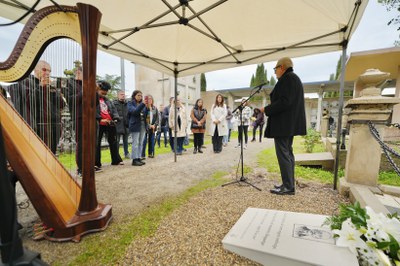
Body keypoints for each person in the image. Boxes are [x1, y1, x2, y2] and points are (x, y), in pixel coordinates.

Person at [261, 57, 306, 196]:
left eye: (275, 69)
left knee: (284, 155)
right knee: (288, 154)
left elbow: (285, 102)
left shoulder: (288, 79)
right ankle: (288, 184)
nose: (275, 73)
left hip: (284, 125)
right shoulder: (293, 78)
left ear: (282, 67)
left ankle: (288, 186)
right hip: (288, 124)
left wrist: (267, 109)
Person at [8, 60, 64, 154]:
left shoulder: (50, 86)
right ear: (35, 69)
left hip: (54, 125)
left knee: (51, 155)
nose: (47, 73)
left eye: (49, 71)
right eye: (44, 69)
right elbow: (29, 101)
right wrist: (41, 87)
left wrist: (54, 91)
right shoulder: (24, 82)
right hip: (38, 127)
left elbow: (62, 104)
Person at [95, 80, 123, 168]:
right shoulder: (93, 99)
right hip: (99, 123)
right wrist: (100, 119)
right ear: (97, 90)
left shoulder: (107, 100)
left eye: (105, 93)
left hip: (110, 123)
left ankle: (116, 160)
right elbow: (93, 111)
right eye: (102, 92)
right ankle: (96, 163)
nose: (104, 94)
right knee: (97, 143)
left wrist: (115, 118)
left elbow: (113, 110)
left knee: (113, 142)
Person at [127, 90, 147, 166]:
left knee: (141, 142)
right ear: (134, 96)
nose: (140, 97)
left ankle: (138, 158)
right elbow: (135, 112)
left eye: (141, 96)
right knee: (135, 143)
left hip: (143, 124)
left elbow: (145, 114)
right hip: (135, 125)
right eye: (138, 95)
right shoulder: (130, 103)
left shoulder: (143, 104)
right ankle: (134, 159)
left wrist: (147, 108)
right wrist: (142, 104)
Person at [113, 90, 130, 159]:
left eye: (124, 94)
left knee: (125, 140)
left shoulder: (127, 103)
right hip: (118, 125)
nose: (123, 95)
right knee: (117, 141)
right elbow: (112, 113)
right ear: (118, 95)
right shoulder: (114, 103)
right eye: (121, 94)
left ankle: (126, 153)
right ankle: (117, 155)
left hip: (126, 125)